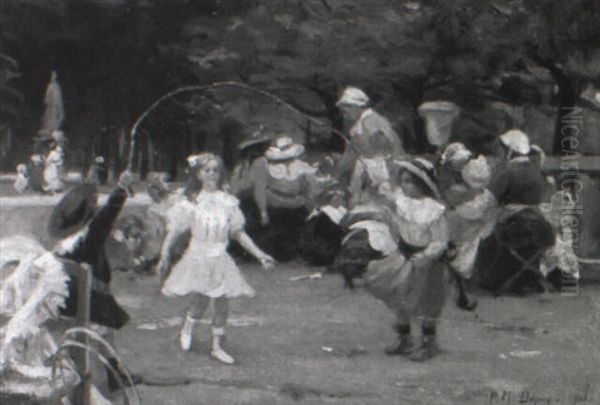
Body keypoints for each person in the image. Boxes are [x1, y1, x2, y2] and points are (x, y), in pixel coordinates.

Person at [156, 153, 275, 365]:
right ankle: (188, 328)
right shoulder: (191, 202)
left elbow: (238, 233)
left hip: (220, 257)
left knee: (222, 303)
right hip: (198, 256)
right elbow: (174, 232)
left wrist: (260, 255)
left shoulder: (227, 202)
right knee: (199, 302)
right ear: (199, 174)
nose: (212, 174)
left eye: (215, 170)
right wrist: (164, 255)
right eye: (207, 170)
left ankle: (217, 346)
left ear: (221, 174)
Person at [337, 158, 450, 361]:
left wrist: (426, 255)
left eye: (410, 182)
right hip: (405, 256)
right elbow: (384, 195)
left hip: (428, 261)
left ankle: (427, 343)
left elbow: (440, 240)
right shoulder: (400, 202)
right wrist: (377, 180)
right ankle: (404, 338)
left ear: (422, 185)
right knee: (401, 299)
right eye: (403, 181)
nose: (405, 185)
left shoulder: (434, 210)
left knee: (427, 302)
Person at [47, 170, 139, 391]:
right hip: (91, 296)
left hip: (72, 295)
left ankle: (109, 374)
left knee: (91, 337)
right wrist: (120, 190)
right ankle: (107, 378)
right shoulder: (88, 237)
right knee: (99, 336)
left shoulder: (64, 239)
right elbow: (106, 217)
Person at [241, 135, 321, 261]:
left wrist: (312, 207)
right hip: (273, 208)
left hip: (297, 207)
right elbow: (260, 190)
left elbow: (309, 190)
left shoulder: (301, 167)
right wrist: (263, 212)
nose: (286, 161)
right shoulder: (261, 164)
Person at [334, 86, 406, 178]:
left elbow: (393, 142)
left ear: (356, 107)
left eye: (346, 112)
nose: (345, 117)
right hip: (367, 171)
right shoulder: (360, 124)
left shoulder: (371, 121)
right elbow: (351, 152)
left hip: (381, 172)